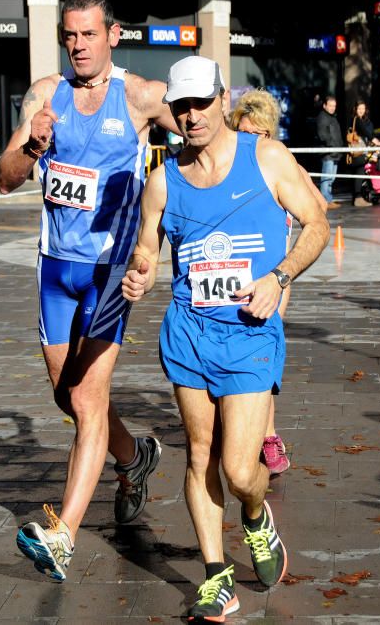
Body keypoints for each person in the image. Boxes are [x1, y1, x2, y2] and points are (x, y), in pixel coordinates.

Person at [122, 56, 329, 622]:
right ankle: (217, 575)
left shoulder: (264, 157)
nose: (190, 116)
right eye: (181, 107)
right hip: (189, 334)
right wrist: (140, 270)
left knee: (241, 471)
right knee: (199, 456)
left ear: (220, 99)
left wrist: (280, 275)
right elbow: (146, 248)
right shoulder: (163, 180)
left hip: (250, 333)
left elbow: (317, 222)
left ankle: (257, 517)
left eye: (200, 103)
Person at [0, 0, 177, 583]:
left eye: (88, 35)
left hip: (108, 274)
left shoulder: (142, 97)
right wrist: (33, 143)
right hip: (55, 270)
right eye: (69, 36)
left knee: (85, 400)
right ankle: (134, 456)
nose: (77, 46)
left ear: (112, 35)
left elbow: (206, 135)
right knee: (63, 396)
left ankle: (64, 535)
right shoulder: (45, 95)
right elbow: (4, 178)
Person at [228, 88, 327, 475]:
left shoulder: (281, 163)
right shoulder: (228, 162)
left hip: (271, 276)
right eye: (243, 132)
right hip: (228, 272)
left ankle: (268, 435)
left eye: (257, 134)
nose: (249, 140)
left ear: (270, 134)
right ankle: (239, 424)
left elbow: (317, 209)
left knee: (262, 346)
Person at [346, 101, 380, 206]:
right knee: (359, 172)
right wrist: (376, 141)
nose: (361, 111)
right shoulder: (356, 120)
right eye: (359, 108)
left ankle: (357, 197)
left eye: (363, 109)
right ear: (355, 109)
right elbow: (366, 132)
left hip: (361, 150)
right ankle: (358, 198)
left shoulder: (364, 121)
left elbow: (368, 131)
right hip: (358, 151)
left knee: (359, 172)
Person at [315, 95, 343, 209]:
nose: (332, 108)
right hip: (329, 153)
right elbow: (323, 135)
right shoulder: (323, 117)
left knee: (331, 177)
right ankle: (325, 200)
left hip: (335, 152)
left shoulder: (332, 117)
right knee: (326, 178)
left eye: (334, 106)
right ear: (324, 105)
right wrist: (332, 145)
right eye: (330, 105)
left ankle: (328, 198)